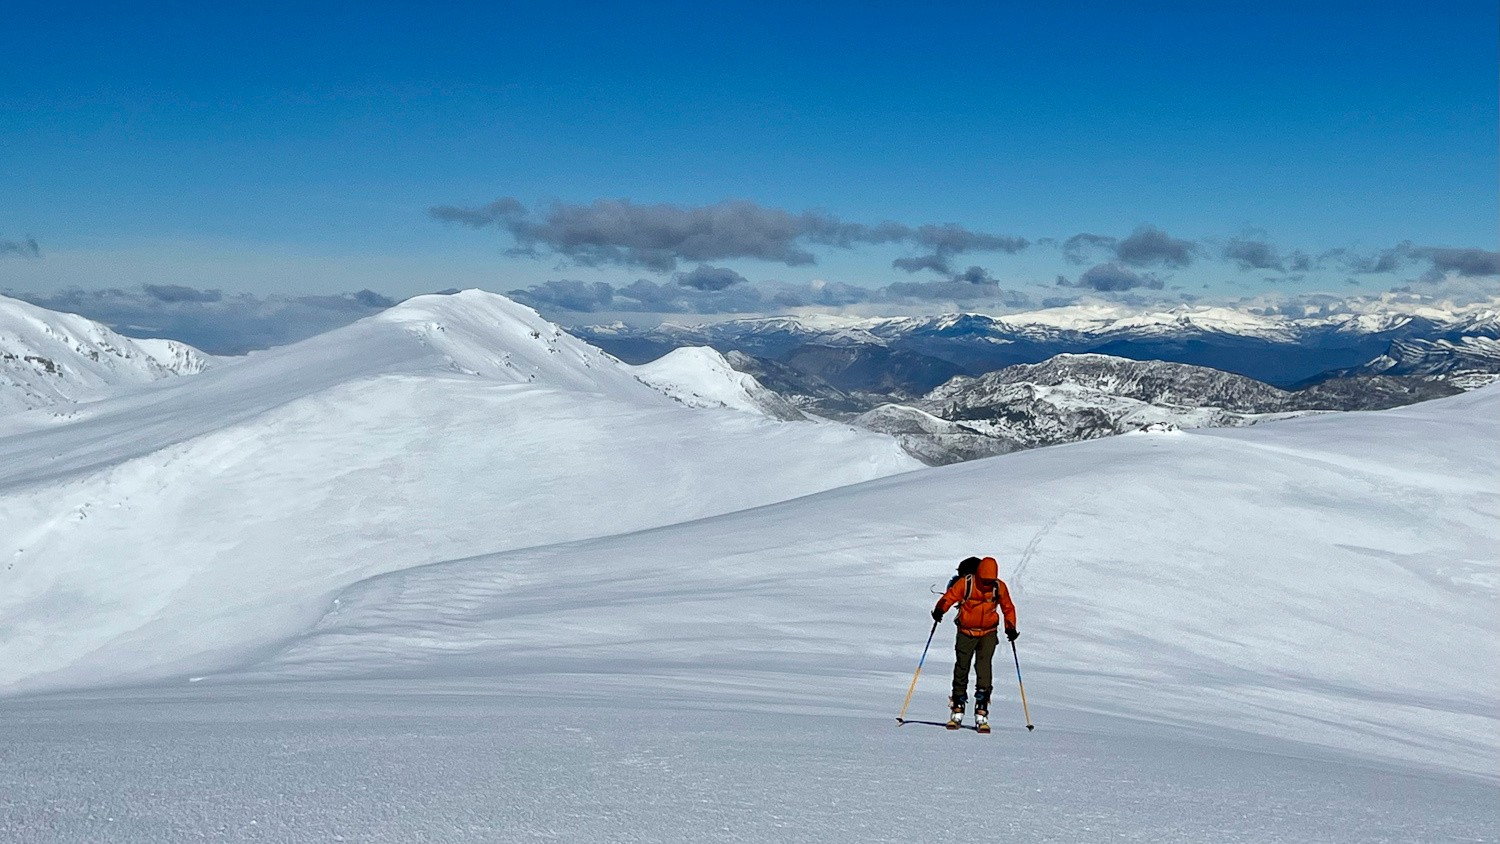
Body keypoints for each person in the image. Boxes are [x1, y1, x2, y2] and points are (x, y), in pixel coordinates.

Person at [932, 556, 1017, 731]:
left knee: (983, 669)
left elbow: (1008, 607)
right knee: (962, 668)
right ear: (979, 575)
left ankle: (981, 711)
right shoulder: (966, 583)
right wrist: (941, 608)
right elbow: (950, 597)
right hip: (966, 632)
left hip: (988, 633)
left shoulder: (998, 587)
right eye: (984, 580)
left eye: (989, 581)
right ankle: (957, 708)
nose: (987, 584)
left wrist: (1011, 627)